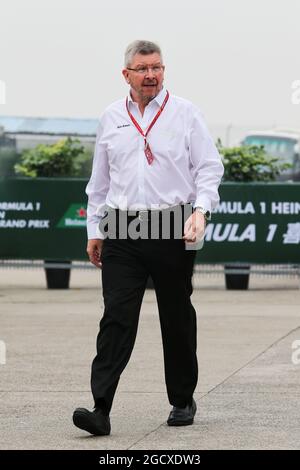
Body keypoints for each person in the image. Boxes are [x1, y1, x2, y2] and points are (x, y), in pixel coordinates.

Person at [73, 40, 224, 436]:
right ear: (126, 75)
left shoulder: (185, 113)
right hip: (122, 229)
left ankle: (181, 399)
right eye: (142, 68)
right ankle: (100, 408)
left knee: (175, 317)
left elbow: (209, 167)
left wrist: (200, 210)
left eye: (157, 67)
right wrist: (95, 230)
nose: (151, 75)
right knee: (117, 318)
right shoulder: (111, 117)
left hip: (171, 227)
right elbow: (99, 183)